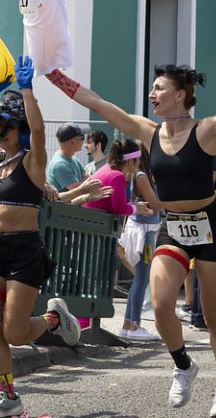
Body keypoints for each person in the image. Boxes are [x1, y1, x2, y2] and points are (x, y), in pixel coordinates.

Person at [44, 63, 216, 416]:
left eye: (159, 88)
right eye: (151, 88)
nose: (152, 94)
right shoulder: (148, 131)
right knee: (162, 304)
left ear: (180, 94)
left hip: (211, 227)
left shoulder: (207, 130)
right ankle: (183, 365)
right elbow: (100, 103)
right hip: (174, 226)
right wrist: (55, 77)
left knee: (213, 317)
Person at [0, 56, 81, 418]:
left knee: (14, 331)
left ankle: (54, 319)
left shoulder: (34, 162)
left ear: (21, 127)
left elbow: (41, 130)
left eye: (8, 124)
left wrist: (28, 88)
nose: (0, 130)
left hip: (25, 250)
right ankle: (8, 397)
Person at [79, 140, 158, 340]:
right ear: (130, 162)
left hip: (96, 230)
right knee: (140, 278)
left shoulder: (110, 170)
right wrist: (136, 208)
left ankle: (126, 324)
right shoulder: (116, 176)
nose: (139, 163)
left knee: (134, 278)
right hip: (109, 231)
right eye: (137, 160)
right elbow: (119, 208)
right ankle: (131, 326)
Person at [46, 123, 87, 192]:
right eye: (82, 138)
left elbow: (86, 178)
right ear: (72, 141)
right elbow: (80, 191)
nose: (83, 141)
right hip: (67, 203)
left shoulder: (74, 159)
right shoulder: (60, 164)